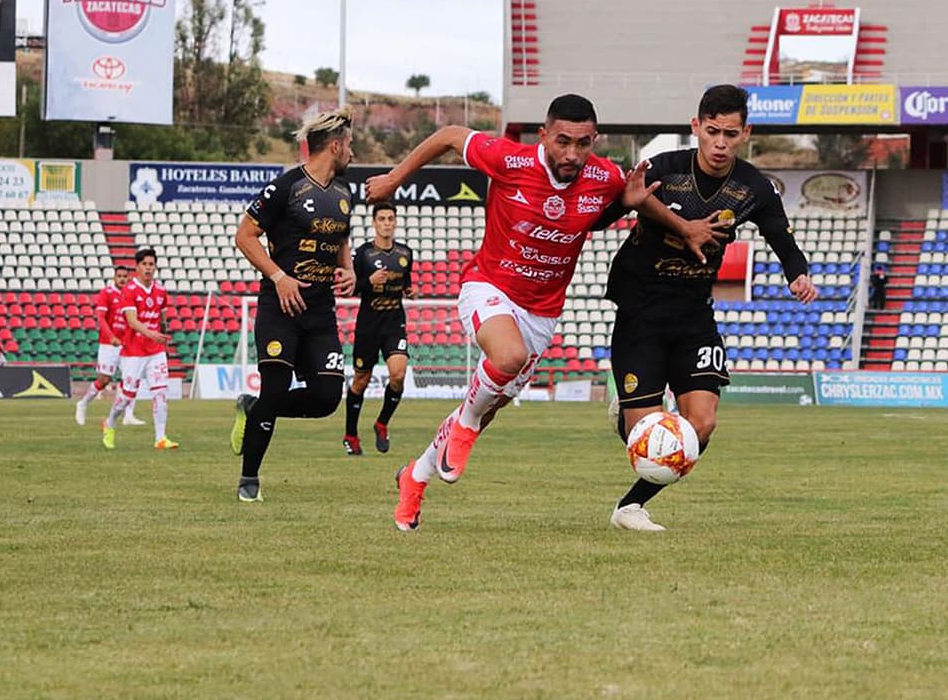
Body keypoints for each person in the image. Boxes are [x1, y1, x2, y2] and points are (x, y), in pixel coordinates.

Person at [365, 93, 708, 532]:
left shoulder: (602, 176)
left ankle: (414, 477)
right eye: (562, 141)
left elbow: (632, 195)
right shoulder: (510, 160)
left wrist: (650, 211)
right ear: (543, 135)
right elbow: (451, 136)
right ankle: (464, 425)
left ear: (594, 140)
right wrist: (395, 178)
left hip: (541, 314)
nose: (571, 153)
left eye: (582, 143)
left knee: (492, 405)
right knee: (502, 363)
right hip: (488, 286)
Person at [597, 84, 819, 532]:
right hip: (641, 310)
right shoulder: (662, 169)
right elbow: (605, 211)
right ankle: (625, 411)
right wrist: (626, 202)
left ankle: (631, 507)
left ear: (745, 133)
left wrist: (798, 272)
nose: (720, 143)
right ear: (696, 127)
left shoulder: (753, 187)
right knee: (640, 434)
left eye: (731, 134)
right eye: (713, 131)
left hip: (694, 315)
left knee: (701, 424)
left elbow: (781, 236)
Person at [230, 107, 357, 503]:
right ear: (334, 146)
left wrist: (348, 270)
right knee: (276, 385)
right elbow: (245, 235)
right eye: (350, 144)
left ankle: (255, 408)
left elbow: (340, 241)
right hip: (279, 310)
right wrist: (279, 277)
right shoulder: (285, 187)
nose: (353, 152)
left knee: (326, 399)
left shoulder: (342, 195)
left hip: (320, 314)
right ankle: (249, 479)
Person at [342, 202, 414, 456]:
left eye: (390, 218)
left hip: (394, 324)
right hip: (368, 326)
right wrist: (368, 282)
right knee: (360, 380)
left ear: (395, 222)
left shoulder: (405, 253)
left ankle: (382, 423)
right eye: (382, 218)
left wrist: (409, 290)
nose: (386, 223)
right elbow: (350, 288)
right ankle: (351, 434)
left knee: (398, 374)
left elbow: (405, 282)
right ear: (374, 222)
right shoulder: (363, 254)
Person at [100, 248, 177, 450]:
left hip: (155, 352)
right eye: (145, 264)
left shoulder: (160, 291)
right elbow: (132, 321)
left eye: (152, 264)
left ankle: (160, 438)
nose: (148, 268)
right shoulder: (130, 291)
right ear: (137, 267)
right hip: (133, 352)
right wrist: (152, 334)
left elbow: (162, 319)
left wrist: (163, 337)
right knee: (126, 397)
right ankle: (109, 423)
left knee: (160, 393)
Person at [75, 265, 145, 427]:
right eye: (119, 276)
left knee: (131, 379)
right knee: (104, 380)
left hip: (128, 344)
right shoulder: (106, 293)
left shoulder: (132, 294)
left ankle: (128, 415)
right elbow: (101, 318)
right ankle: (83, 403)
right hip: (109, 344)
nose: (122, 279)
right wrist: (111, 336)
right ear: (114, 277)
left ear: (129, 278)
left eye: (124, 276)